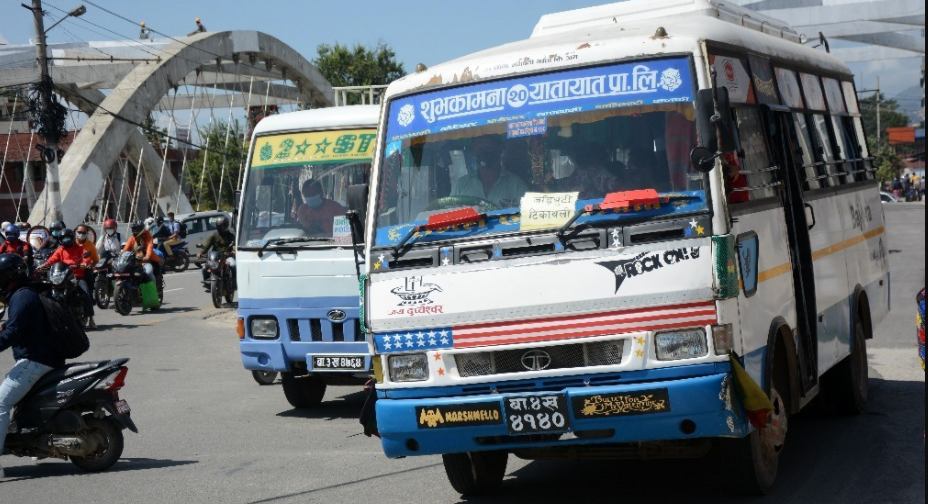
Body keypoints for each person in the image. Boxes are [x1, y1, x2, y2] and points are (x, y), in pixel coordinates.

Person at [0, 254, 62, 479]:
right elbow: (15, 325)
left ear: (7, 276)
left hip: (35, 360)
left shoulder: (22, 296)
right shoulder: (26, 293)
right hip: (41, 357)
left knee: (1, 403)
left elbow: (13, 332)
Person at [42, 229, 96, 330]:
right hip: (62, 276)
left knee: (85, 292)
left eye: (68, 237)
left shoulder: (80, 249)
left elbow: (86, 258)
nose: (66, 240)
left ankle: (91, 318)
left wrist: (84, 263)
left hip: (76, 276)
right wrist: (44, 265)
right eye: (63, 238)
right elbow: (52, 259)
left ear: (72, 238)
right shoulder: (60, 250)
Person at [452, 136, 528, 208]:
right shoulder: (460, 185)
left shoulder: (516, 186)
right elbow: (451, 215)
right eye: (479, 147)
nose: (483, 152)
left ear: (500, 150)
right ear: (474, 151)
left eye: (488, 147)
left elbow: (525, 217)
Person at [197, 216, 235, 290]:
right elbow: (206, 246)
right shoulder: (213, 235)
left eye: (222, 225)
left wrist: (233, 251)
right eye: (219, 225)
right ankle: (207, 283)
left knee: (233, 264)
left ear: (226, 225)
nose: (220, 227)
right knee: (204, 267)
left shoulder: (231, 236)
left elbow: (234, 245)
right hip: (215, 257)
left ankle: (234, 283)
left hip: (227, 256)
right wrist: (201, 253)